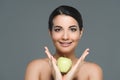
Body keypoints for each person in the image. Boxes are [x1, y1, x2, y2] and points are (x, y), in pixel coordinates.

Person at [24, 5, 103, 80]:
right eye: (58, 29)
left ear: (81, 33)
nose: (65, 37)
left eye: (72, 29)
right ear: (50, 33)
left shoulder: (93, 71)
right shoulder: (36, 68)